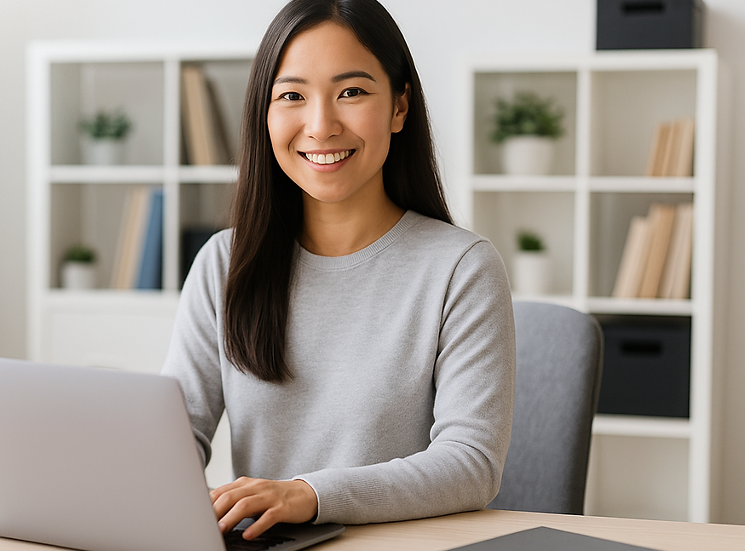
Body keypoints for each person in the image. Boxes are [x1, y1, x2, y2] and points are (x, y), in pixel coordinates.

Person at [160, 0, 515, 541]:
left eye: (351, 92)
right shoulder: (224, 264)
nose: (321, 125)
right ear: (265, 112)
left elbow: (470, 463)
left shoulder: (461, 269)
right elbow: (173, 438)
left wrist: (309, 495)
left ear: (399, 107)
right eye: (293, 96)